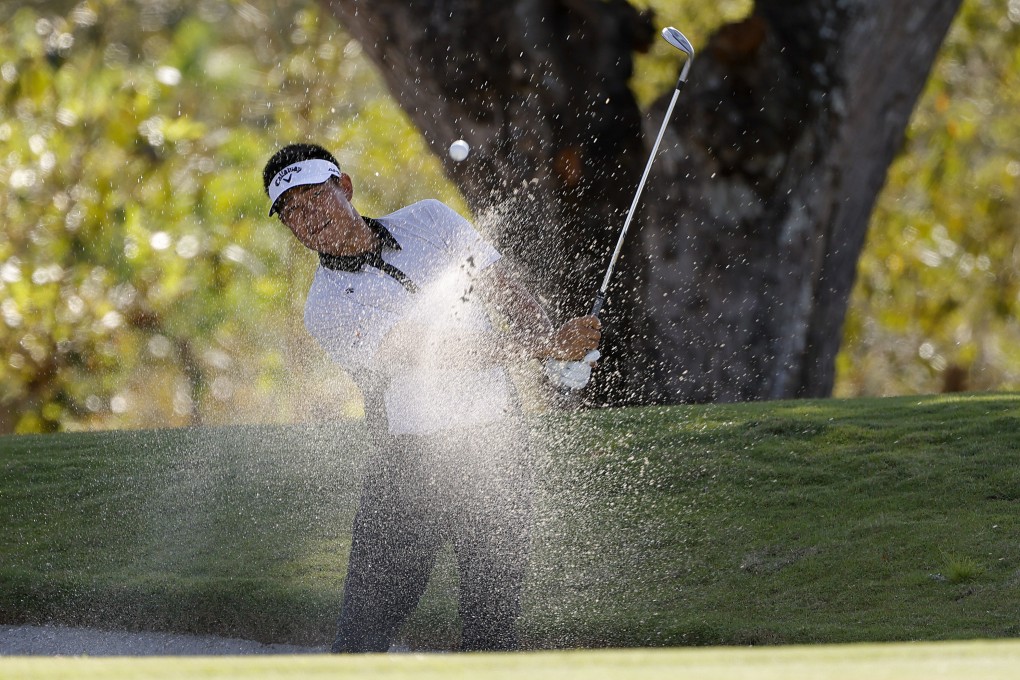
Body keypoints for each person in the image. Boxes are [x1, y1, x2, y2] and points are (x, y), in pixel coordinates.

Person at [262, 143, 601, 652]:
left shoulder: (430, 220)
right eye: (292, 212)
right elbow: (430, 353)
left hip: (498, 451)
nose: (309, 217)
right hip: (406, 472)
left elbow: (503, 286)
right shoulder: (326, 308)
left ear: (345, 188)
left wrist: (557, 349)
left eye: (315, 197)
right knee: (361, 641)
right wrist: (541, 346)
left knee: (491, 632)